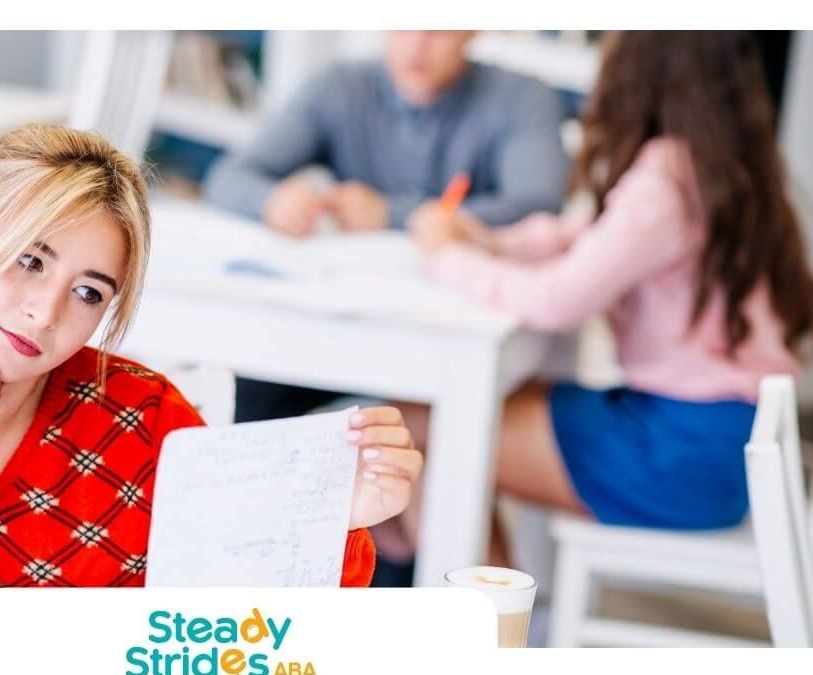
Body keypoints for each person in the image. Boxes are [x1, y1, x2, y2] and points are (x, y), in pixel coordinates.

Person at [0, 125, 424, 647]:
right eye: (29, 260)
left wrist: (332, 521)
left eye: (86, 292)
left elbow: (248, 636)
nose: (45, 313)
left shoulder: (146, 417)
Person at [401, 31, 813, 565]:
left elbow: (558, 299)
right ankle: (502, 625)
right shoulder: (717, 165)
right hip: (722, 445)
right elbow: (591, 236)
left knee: (423, 428)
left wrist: (446, 258)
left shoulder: (664, 181)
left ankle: (488, 636)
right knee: (461, 413)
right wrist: (490, 242)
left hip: (678, 453)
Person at [201, 31, 571, 426]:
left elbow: (538, 207)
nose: (416, 45)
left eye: (437, 28)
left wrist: (391, 215)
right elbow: (229, 176)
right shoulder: (339, 87)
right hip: (347, 323)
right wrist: (271, 200)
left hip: (453, 336)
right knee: (247, 388)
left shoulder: (523, 99)